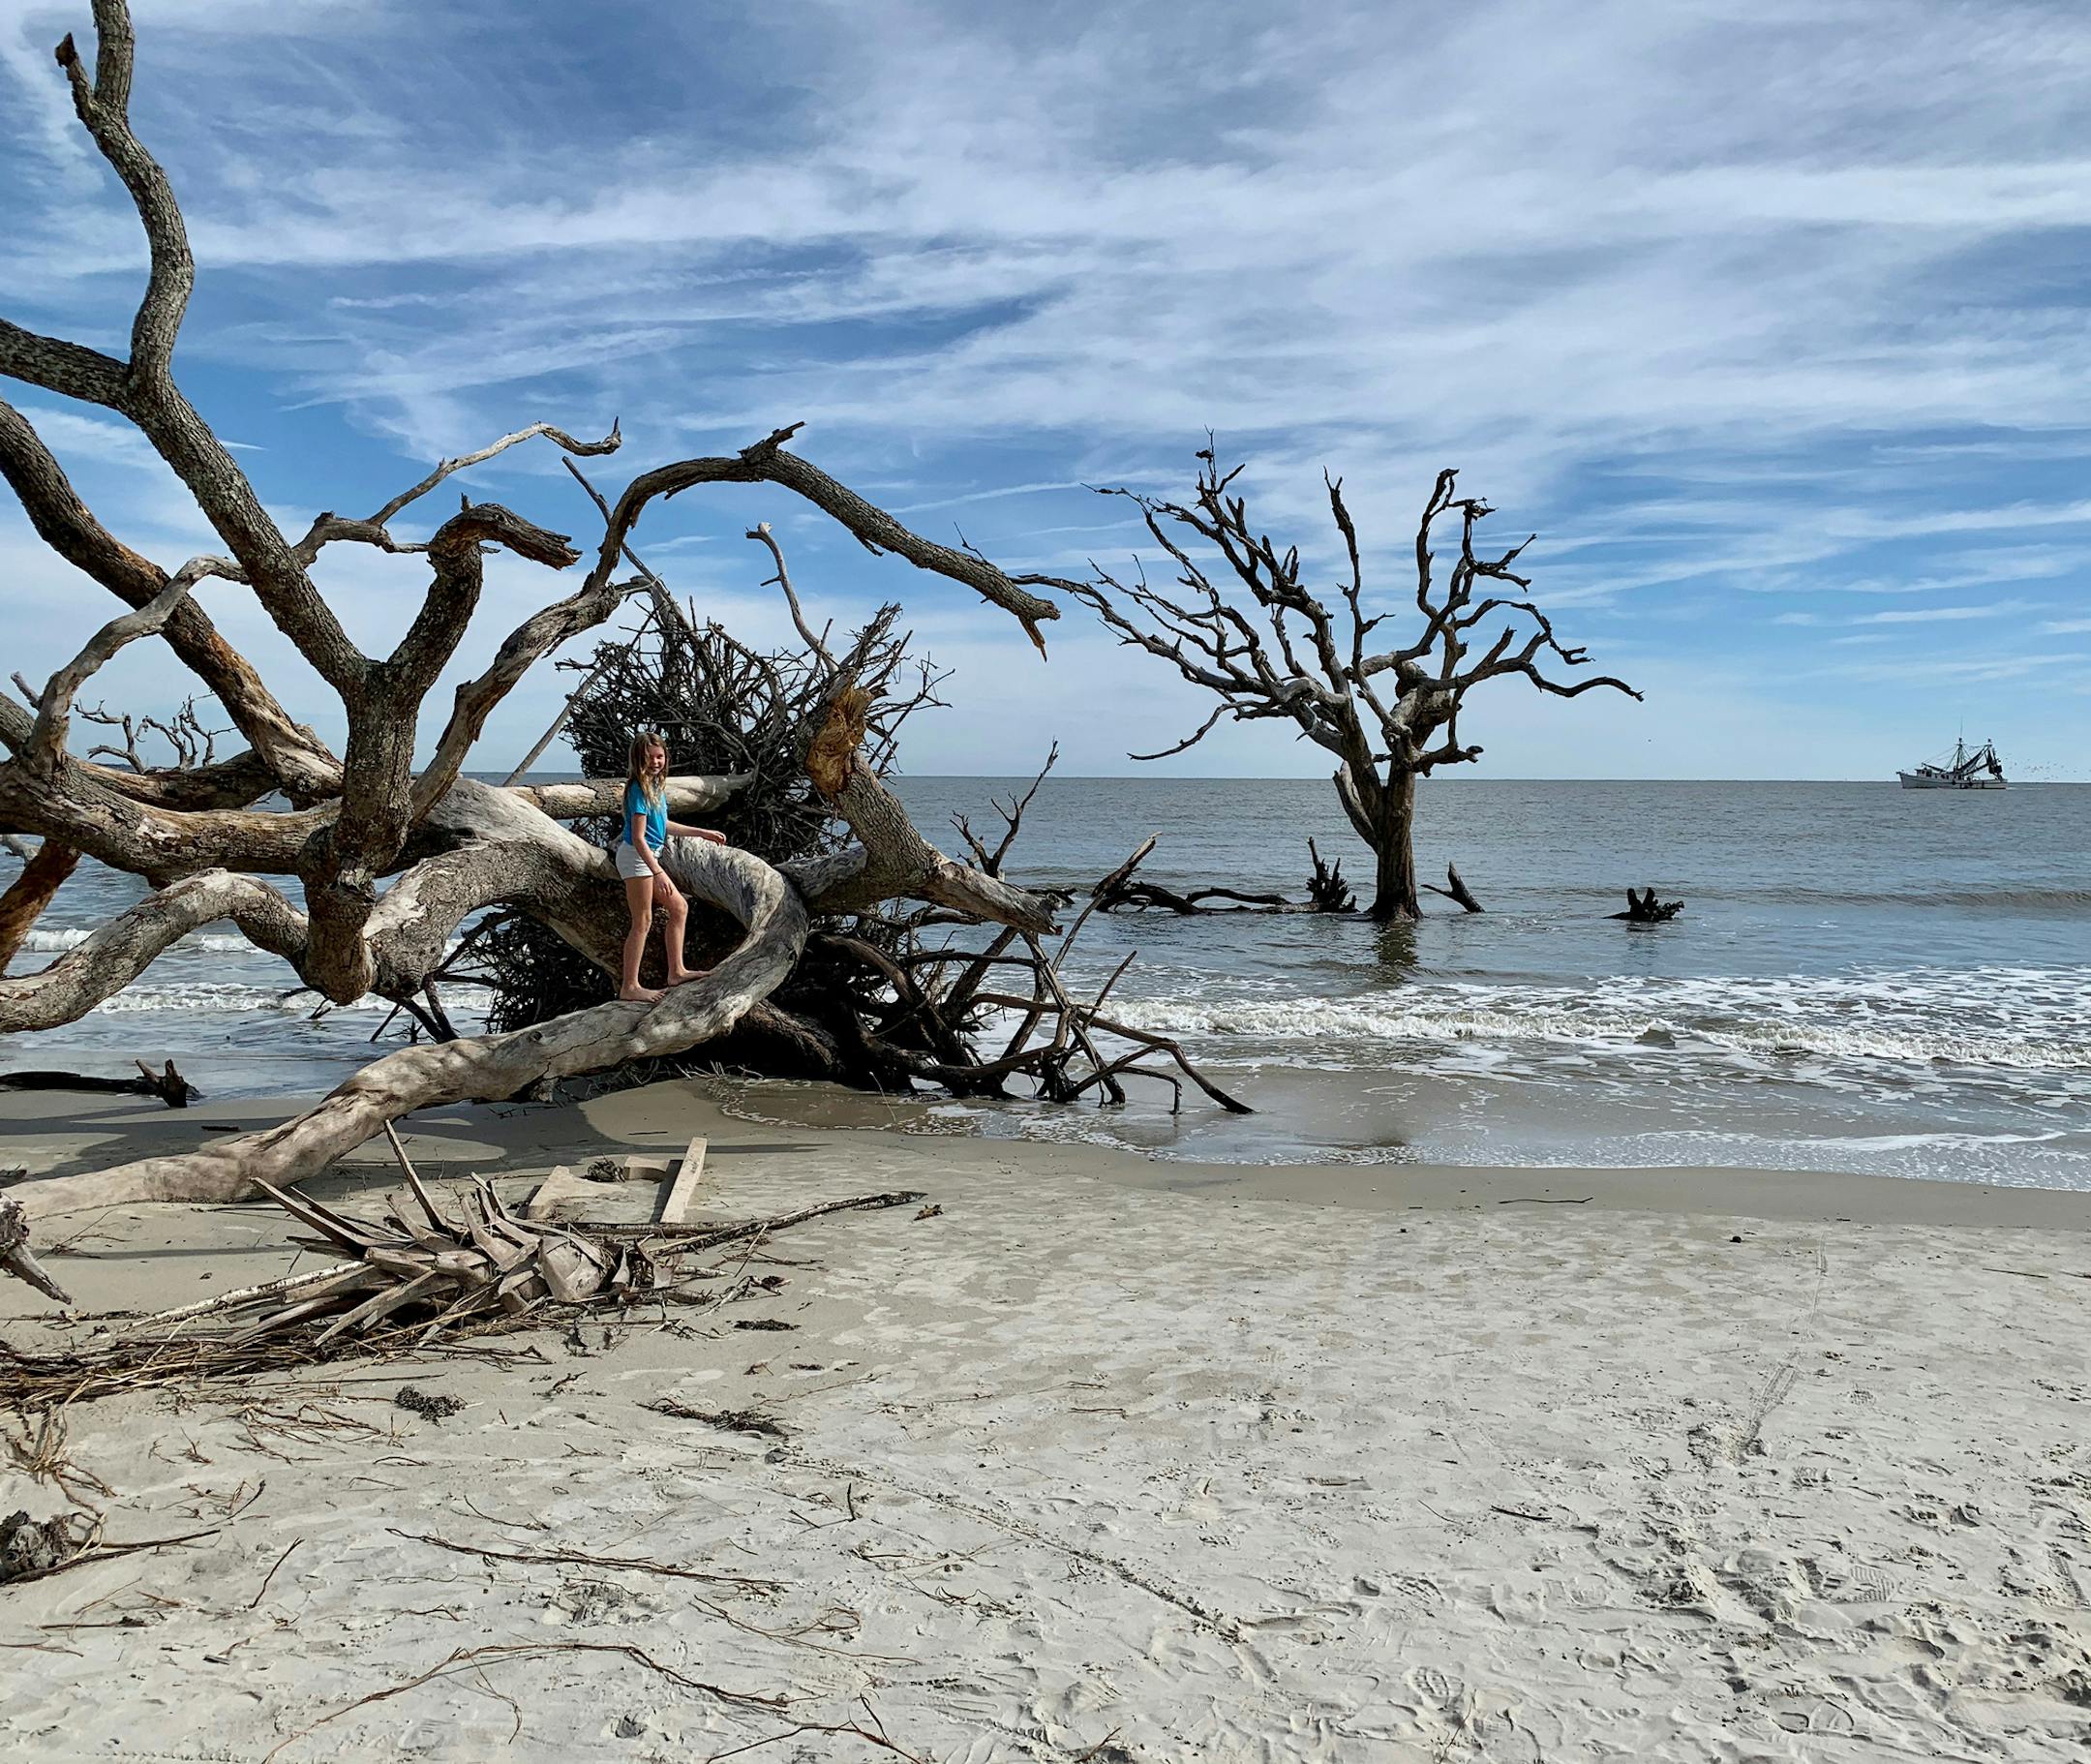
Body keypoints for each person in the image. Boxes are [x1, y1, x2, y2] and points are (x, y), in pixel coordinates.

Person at [614, 731, 728, 1003]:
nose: (655, 762)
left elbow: (663, 826)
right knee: (642, 921)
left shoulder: (655, 787)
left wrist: (702, 832)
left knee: (679, 907)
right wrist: (659, 871)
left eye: (660, 756)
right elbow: (639, 837)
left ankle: (676, 972)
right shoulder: (638, 789)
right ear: (638, 758)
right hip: (636, 858)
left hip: (647, 858)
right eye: (650, 757)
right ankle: (630, 986)